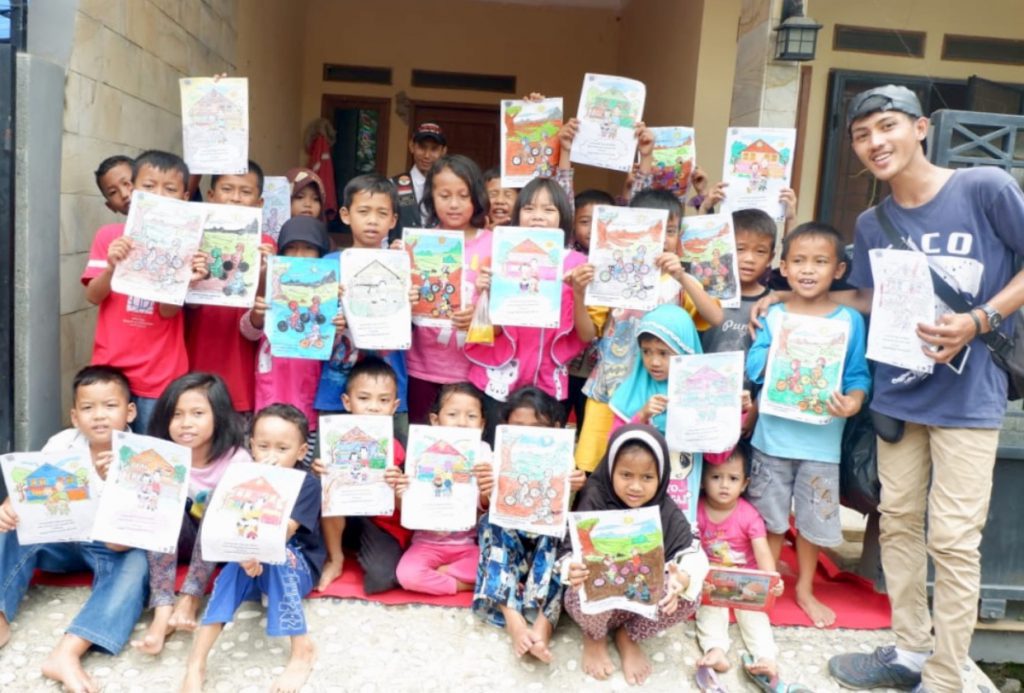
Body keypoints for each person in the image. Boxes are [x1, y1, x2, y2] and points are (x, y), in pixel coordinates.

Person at [824, 85, 1024, 693]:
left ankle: (944, 676)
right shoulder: (872, 222)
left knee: (955, 540)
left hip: (969, 399)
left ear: (920, 128)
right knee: (900, 523)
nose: (875, 142)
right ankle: (910, 650)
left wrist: (979, 320)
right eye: (862, 135)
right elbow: (871, 296)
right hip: (899, 394)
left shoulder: (984, 187)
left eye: (887, 126)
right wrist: (790, 303)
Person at [746, 222, 871, 629]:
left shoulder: (849, 320)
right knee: (770, 518)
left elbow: (857, 374)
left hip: (821, 443)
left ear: (839, 270)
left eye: (820, 261)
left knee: (814, 522)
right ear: (783, 267)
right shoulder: (774, 315)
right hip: (771, 439)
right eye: (798, 261)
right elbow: (753, 365)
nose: (808, 269)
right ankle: (767, 581)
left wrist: (854, 401)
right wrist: (780, 352)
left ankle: (804, 588)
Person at [0, 366, 148, 693]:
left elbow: (141, 528)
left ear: (130, 412)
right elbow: (26, 493)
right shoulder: (62, 442)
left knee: (138, 564)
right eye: (88, 407)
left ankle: (68, 651)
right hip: (59, 539)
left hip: (109, 545)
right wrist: (7, 510)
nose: (99, 415)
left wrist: (119, 483)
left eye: (110, 406)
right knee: (7, 526)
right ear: (74, 416)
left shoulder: (141, 454)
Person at [181, 404, 324, 693]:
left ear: (300, 451)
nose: (272, 455)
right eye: (263, 446)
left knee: (276, 557)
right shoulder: (240, 480)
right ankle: (196, 663)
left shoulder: (306, 484)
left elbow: (283, 534)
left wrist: (255, 549)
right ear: (252, 446)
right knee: (233, 569)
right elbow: (229, 529)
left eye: (282, 448)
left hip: (296, 568)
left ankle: (302, 649)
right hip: (249, 563)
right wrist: (244, 555)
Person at [562, 424, 708, 685]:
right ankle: (594, 636)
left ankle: (629, 635)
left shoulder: (665, 509)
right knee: (582, 585)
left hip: (637, 602)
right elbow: (566, 550)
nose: (636, 487)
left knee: (689, 597)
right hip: (597, 604)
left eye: (647, 477)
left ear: (661, 477)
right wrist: (570, 569)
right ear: (610, 470)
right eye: (626, 475)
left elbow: (694, 554)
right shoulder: (594, 497)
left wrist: (682, 579)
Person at [82, 150, 207, 434]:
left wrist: (182, 281)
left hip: (160, 374)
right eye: (149, 186)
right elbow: (93, 296)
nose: (159, 195)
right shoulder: (109, 236)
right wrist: (112, 268)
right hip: (110, 370)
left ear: (185, 197)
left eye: (170, 189)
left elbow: (167, 312)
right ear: (134, 189)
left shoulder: (189, 246)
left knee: (152, 451)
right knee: (107, 448)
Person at [464, 176, 596, 441]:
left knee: (538, 453)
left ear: (563, 217)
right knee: (494, 447)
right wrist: (489, 294)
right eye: (529, 208)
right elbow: (491, 332)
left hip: (547, 377)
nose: (538, 216)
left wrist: (579, 293)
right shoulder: (499, 256)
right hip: (500, 375)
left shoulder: (578, 264)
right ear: (517, 215)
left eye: (548, 209)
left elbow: (587, 335)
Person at [131, 372, 251, 655]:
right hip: (175, 541)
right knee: (161, 496)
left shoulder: (237, 459)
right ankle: (162, 609)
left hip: (221, 546)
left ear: (218, 416)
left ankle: (190, 598)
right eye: (177, 414)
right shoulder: (160, 457)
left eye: (197, 413)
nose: (186, 423)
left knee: (219, 497)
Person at [473, 386, 586, 663]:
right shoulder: (496, 459)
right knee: (491, 525)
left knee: (564, 544)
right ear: (505, 428)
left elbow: (564, 510)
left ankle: (542, 626)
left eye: (537, 428)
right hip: (511, 542)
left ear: (556, 428)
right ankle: (514, 619)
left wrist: (575, 487)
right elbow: (484, 508)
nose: (528, 434)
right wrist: (487, 491)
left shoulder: (565, 460)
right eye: (518, 427)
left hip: (544, 544)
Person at [314, 174, 410, 447]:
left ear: (393, 220)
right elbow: (314, 325)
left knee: (392, 460)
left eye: (382, 213)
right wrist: (331, 319)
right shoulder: (329, 264)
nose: (372, 220)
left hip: (388, 392)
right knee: (333, 458)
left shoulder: (403, 264)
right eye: (364, 211)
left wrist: (412, 297)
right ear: (346, 215)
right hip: (336, 388)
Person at [695, 446, 796, 690]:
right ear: (702, 481)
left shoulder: (748, 515)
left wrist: (771, 580)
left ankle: (766, 659)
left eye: (733, 478)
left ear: (744, 484)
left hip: (746, 580)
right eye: (716, 477)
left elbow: (762, 551)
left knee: (755, 616)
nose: (724, 485)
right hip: (714, 580)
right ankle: (715, 649)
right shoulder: (697, 511)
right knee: (709, 610)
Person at [405, 155, 492, 425]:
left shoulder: (494, 245)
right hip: (422, 367)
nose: (454, 204)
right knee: (423, 438)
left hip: (475, 369)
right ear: (431, 198)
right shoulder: (418, 244)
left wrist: (480, 317)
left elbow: (510, 308)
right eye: (444, 195)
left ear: (476, 197)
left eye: (463, 196)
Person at [240, 216, 338, 454]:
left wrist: (339, 328)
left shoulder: (329, 291)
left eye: (308, 248)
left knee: (302, 455)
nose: (299, 255)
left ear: (320, 253)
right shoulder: (272, 285)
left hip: (308, 391)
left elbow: (333, 345)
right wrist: (257, 313)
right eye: (291, 248)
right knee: (268, 455)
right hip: (270, 393)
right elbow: (249, 332)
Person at [387, 382, 494, 595]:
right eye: (453, 414)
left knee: (493, 566)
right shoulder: (421, 449)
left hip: (467, 545)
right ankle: (465, 584)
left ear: (482, 425)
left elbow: (484, 507)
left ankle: (446, 574)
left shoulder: (483, 453)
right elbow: (406, 507)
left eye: (471, 416)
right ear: (435, 420)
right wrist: (398, 493)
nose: (462, 422)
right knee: (407, 575)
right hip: (426, 544)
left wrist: (486, 489)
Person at [315, 357, 409, 593]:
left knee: (381, 579)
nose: (373, 407)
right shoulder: (335, 440)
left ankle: (363, 549)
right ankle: (335, 558)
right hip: (344, 515)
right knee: (325, 488)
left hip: (380, 522)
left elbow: (404, 507)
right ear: (347, 402)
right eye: (364, 398)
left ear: (394, 406)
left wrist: (397, 488)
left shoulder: (396, 448)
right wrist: (321, 475)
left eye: (383, 400)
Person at [185, 160, 269, 418]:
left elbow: (263, 311)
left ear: (259, 203)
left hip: (240, 360)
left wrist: (266, 271)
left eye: (246, 192)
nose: (235, 198)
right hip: (196, 350)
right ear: (211, 195)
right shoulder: (192, 238)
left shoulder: (265, 245)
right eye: (227, 189)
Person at [700, 208, 779, 437]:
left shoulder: (771, 305)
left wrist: (753, 412)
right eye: (740, 249)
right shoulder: (705, 296)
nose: (749, 259)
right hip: (702, 402)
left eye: (760, 251)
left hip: (747, 408)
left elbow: (773, 367)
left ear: (771, 257)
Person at [608, 303, 703, 433]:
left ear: (684, 352)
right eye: (646, 352)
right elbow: (616, 441)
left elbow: (717, 445)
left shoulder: (704, 391)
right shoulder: (631, 393)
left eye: (663, 353)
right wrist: (641, 416)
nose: (654, 362)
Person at [390, 122, 448, 242]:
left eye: (434, 149)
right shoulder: (393, 185)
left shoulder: (449, 187)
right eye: (422, 147)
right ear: (412, 146)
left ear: (443, 151)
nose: (427, 155)